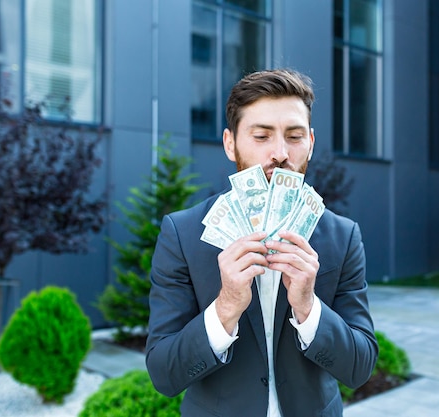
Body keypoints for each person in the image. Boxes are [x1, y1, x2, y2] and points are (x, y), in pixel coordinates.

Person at [146, 68, 378, 417]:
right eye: (261, 136)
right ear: (230, 143)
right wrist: (225, 307)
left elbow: (359, 368)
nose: (280, 153)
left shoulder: (342, 237)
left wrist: (308, 308)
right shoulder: (183, 234)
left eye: (294, 136)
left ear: (311, 144)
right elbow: (164, 374)